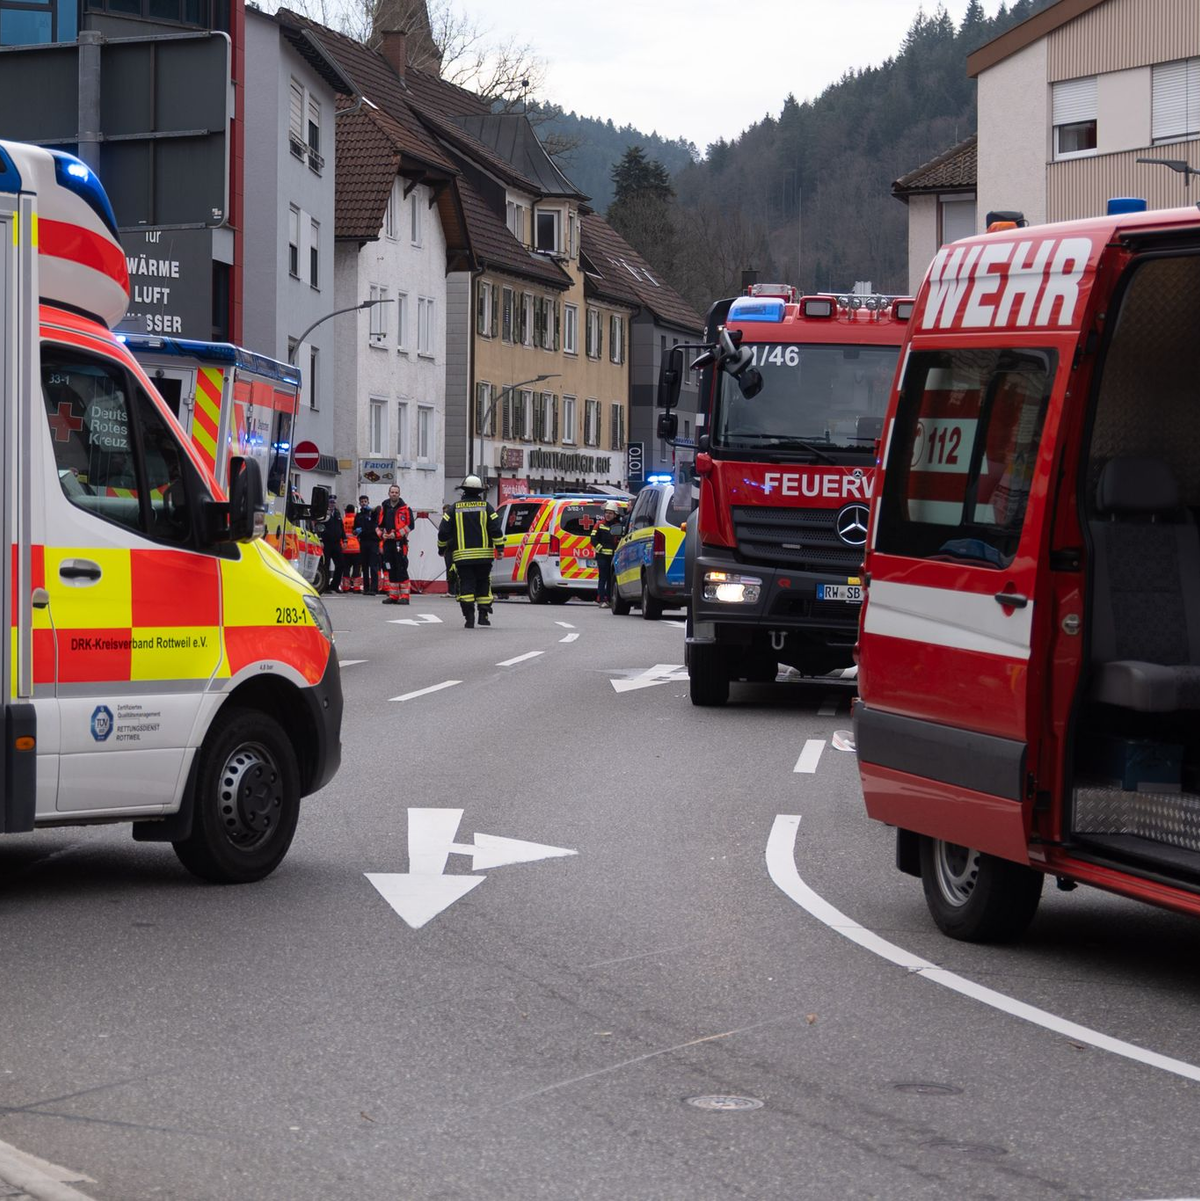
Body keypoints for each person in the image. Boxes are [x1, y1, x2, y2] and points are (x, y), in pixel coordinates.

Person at [438, 475, 503, 629]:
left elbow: (443, 532)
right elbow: (495, 529)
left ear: (464, 491)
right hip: (484, 558)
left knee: (466, 585)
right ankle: (483, 615)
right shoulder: (487, 507)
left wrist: (442, 548)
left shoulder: (454, 509)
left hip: (463, 558)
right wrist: (499, 548)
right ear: (479, 491)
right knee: (483, 584)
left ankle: (469, 618)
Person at [377, 483, 414, 605]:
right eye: (392, 492)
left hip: (399, 543)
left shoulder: (405, 509)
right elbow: (379, 526)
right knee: (389, 568)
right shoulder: (385, 507)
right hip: (387, 543)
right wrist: (381, 534)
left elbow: (410, 526)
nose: (394, 494)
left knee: (401, 567)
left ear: (399, 494)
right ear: (389, 493)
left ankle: (404, 596)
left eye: (396, 492)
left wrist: (397, 534)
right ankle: (393, 595)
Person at [590, 501, 624, 605]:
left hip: (613, 556)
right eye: (606, 513)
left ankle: (609, 599)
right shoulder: (599, 525)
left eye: (610, 513)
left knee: (611, 578)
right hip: (602, 556)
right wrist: (600, 548)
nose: (608, 515)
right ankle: (601, 599)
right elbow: (593, 539)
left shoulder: (618, 526)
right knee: (603, 578)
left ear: (615, 514)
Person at [353, 494, 380, 595]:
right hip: (363, 541)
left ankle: (374, 588)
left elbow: (377, 513)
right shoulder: (359, 516)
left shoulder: (372, 513)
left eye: (365, 501)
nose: (364, 503)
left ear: (368, 502)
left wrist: (372, 511)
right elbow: (354, 529)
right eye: (362, 502)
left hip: (373, 541)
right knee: (364, 566)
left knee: (373, 565)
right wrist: (356, 531)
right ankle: (366, 588)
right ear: (359, 503)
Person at [320, 496, 345, 595]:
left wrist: (345, 539)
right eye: (330, 502)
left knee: (341, 564)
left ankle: (335, 585)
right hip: (326, 543)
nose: (332, 504)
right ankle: (325, 586)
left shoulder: (337, 513)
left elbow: (341, 527)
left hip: (336, 543)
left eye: (333, 503)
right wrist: (320, 539)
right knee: (326, 565)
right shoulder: (323, 514)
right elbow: (319, 526)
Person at [341, 503, 361, 592]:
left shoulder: (343, 521)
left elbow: (341, 534)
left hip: (346, 548)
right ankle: (356, 588)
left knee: (346, 568)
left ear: (346, 511)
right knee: (356, 568)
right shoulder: (356, 520)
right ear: (354, 511)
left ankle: (346, 587)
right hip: (356, 548)